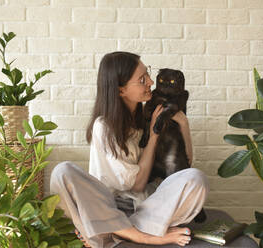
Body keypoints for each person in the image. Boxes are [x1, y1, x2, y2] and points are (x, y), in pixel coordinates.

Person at [50, 51, 209, 248]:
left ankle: (118, 234)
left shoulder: (148, 117)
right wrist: (153, 137)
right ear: (121, 90)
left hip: (144, 209)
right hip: (107, 207)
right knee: (62, 172)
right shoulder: (104, 127)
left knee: (195, 178)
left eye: (148, 74)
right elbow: (137, 184)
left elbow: (183, 164)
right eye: (142, 79)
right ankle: (144, 236)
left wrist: (183, 124)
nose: (151, 82)